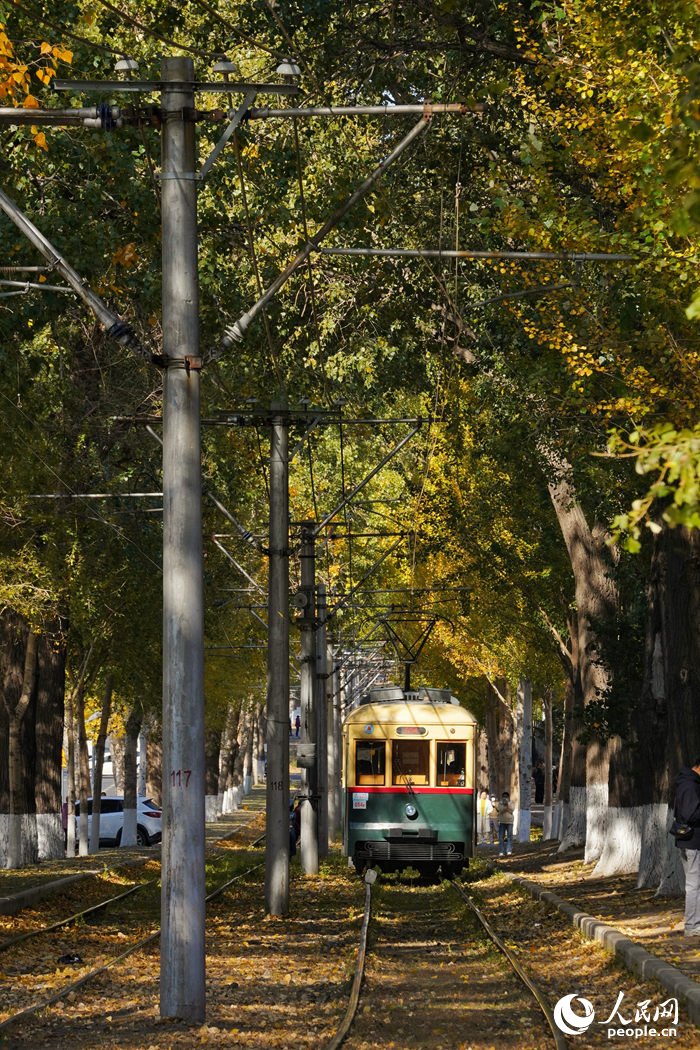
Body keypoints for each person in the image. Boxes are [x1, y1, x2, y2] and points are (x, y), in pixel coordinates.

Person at [673, 756, 700, 936]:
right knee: (694, 884)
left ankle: (694, 924)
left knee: (694, 883)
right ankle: (692, 926)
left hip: (687, 841)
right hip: (692, 841)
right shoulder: (690, 786)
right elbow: (691, 814)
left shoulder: (686, 782)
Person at [497, 791, 514, 857]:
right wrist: (505, 807)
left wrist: (507, 806)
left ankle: (509, 850)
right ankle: (501, 851)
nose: (505, 798)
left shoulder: (511, 803)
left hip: (509, 822)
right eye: (503, 797)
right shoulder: (500, 803)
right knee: (501, 837)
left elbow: (511, 811)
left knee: (509, 837)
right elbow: (500, 811)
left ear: (508, 797)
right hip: (502, 822)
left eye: (506, 797)